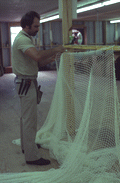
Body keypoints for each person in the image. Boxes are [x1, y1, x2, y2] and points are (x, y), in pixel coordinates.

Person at [12, 11, 65, 166]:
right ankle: (32, 156)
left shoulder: (26, 38)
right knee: (30, 120)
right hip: (26, 83)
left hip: (28, 82)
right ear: (26, 25)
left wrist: (51, 58)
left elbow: (37, 63)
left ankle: (26, 147)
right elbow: (36, 56)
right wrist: (55, 49)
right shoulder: (22, 39)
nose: (38, 29)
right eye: (35, 26)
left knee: (26, 119)